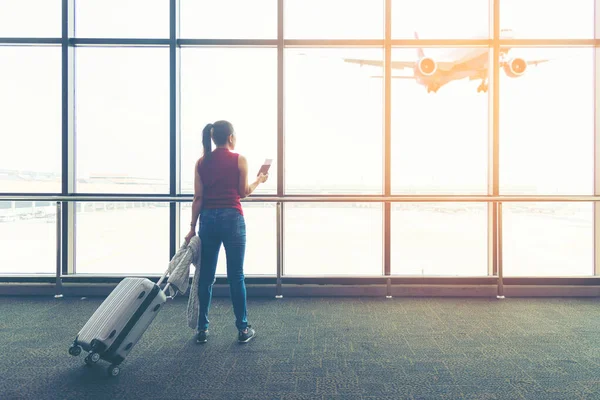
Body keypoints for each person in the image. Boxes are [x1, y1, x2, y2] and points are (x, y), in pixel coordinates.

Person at [184, 120, 268, 344]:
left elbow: (198, 198)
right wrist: (259, 180)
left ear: (212, 138)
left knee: (206, 276)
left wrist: (192, 227)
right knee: (235, 276)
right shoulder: (239, 159)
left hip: (208, 220)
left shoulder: (202, 162)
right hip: (232, 218)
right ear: (230, 137)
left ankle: (202, 328)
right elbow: (243, 193)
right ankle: (242, 329)